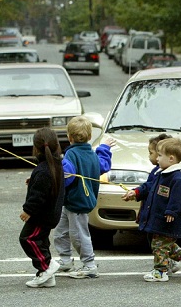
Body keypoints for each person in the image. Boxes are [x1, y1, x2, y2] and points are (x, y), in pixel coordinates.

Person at [122, 138, 181, 282]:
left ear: (171, 158)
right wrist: (136, 193)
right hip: (157, 217)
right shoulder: (160, 174)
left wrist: (172, 212)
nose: (157, 158)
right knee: (163, 244)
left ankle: (160, 271)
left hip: (167, 219)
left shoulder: (177, 178)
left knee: (159, 245)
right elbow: (149, 187)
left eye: (160, 155)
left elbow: (179, 199)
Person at [53, 116, 115, 279]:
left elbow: (67, 177)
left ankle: (89, 265)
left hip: (77, 202)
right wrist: (104, 147)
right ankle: (65, 260)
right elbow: (103, 165)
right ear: (89, 137)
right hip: (71, 202)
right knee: (61, 231)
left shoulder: (71, 155)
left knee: (79, 235)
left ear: (69, 137)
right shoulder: (92, 154)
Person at [20, 128, 65, 288]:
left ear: (36, 148)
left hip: (41, 216)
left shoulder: (43, 170)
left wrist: (28, 210)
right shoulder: (54, 165)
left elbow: (38, 196)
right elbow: (45, 186)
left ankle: (47, 265)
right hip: (50, 214)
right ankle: (46, 276)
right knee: (41, 240)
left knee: (28, 238)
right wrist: (32, 180)